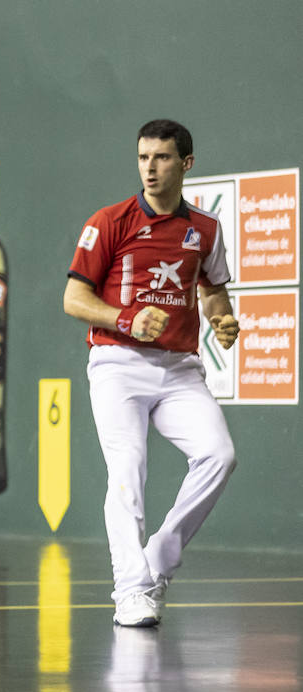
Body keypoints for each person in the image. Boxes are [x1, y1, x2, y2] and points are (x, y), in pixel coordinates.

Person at [63, 119, 239, 628]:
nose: (150, 168)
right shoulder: (111, 221)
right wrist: (126, 318)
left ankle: (160, 555)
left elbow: (211, 289)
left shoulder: (205, 230)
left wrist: (223, 320)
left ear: (186, 164)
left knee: (219, 455)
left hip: (180, 369)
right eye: (143, 158)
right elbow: (74, 299)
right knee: (127, 469)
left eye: (161, 158)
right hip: (117, 364)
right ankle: (131, 588)